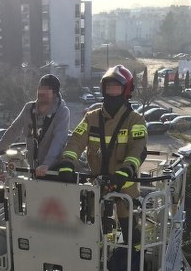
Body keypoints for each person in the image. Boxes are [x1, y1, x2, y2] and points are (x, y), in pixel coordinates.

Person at [57, 65, 147, 239]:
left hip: (124, 186)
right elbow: (76, 140)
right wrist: (68, 162)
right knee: (92, 230)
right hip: (98, 184)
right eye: (109, 88)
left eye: (116, 88)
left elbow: (138, 149)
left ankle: (135, 257)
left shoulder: (135, 120)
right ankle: (96, 259)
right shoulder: (91, 117)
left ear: (126, 90)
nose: (112, 93)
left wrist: (126, 170)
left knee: (131, 232)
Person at [0, 74, 70, 177]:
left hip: (52, 170)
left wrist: (46, 164)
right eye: (40, 88)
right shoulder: (29, 108)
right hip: (32, 168)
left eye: (45, 89)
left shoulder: (62, 112)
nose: (41, 92)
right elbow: (15, 129)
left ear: (54, 94)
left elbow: (59, 140)